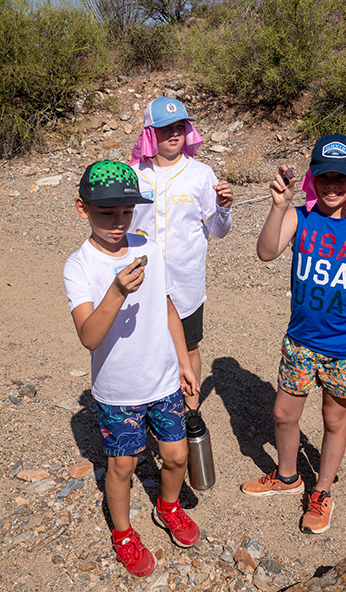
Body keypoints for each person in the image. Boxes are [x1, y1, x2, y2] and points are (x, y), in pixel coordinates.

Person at [241, 134, 346, 535]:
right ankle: (289, 477)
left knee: (334, 421)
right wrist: (278, 206)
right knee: (283, 414)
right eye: (325, 178)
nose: (333, 186)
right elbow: (266, 252)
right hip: (301, 342)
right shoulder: (300, 216)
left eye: (341, 178)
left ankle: (322, 490)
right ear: (313, 179)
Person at [63, 160, 201, 578]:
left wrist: (183, 362)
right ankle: (122, 533)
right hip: (118, 389)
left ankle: (169, 506)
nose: (119, 222)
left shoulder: (148, 248)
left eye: (127, 212)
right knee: (122, 465)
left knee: (176, 456)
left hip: (162, 380)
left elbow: (167, 307)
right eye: (108, 213)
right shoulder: (80, 265)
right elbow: (89, 335)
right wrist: (117, 290)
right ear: (81, 209)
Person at [129, 97, 234, 409]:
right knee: (143, 349)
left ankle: (190, 414)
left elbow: (218, 230)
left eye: (179, 127)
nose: (174, 133)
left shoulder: (201, 174)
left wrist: (224, 209)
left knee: (188, 350)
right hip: (141, 282)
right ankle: (147, 413)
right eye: (165, 128)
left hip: (185, 286)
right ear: (149, 133)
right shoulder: (132, 174)